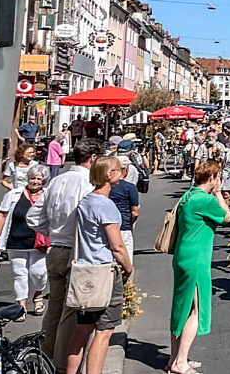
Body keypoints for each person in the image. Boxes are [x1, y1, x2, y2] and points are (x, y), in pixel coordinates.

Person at [27, 137, 104, 372]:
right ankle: (61, 366)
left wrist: (54, 231)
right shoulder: (88, 184)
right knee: (71, 314)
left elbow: (33, 217)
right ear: (93, 158)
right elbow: (90, 218)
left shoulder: (58, 180)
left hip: (56, 249)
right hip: (76, 251)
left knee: (55, 308)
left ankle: (46, 356)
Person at [64, 156, 134, 374]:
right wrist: (128, 268)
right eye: (119, 170)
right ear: (110, 175)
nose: (121, 173)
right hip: (104, 272)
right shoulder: (107, 205)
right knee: (104, 332)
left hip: (84, 270)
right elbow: (117, 246)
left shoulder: (85, 201)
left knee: (82, 329)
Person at [168, 159, 228, 374]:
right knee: (195, 308)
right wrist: (219, 193)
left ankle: (174, 358)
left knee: (181, 308)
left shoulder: (188, 195)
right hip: (197, 258)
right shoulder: (204, 199)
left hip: (183, 255)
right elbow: (226, 217)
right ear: (213, 178)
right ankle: (180, 362)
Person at [0, 165, 50, 315]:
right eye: (32, 178)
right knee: (19, 274)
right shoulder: (14, 194)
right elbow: (2, 215)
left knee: (39, 273)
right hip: (16, 241)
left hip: (39, 243)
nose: (35, 181)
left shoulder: (49, 195)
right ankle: (21, 306)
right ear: (27, 179)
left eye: (38, 179)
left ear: (44, 181)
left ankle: (38, 294)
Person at [108, 159, 141, 263]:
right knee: (126, 256)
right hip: (124, 226)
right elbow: (135, 212)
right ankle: (127, 278)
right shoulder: (130, 188)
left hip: (107, 226)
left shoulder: (105, 187)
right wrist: (130, 222)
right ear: (126, 169)